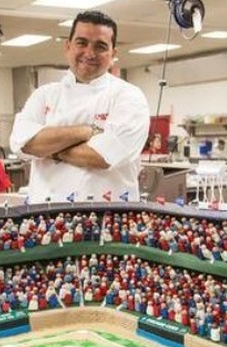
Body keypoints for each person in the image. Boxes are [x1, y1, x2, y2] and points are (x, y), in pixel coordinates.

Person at [9, 10, 149, 203]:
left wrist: (47, 149)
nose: (89, 53)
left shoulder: (129, 97)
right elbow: (23, 144)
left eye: (100, 46)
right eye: (81, 43)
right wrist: (87, 131)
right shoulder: (44, 95)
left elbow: (100, 157)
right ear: (68, 46)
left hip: (107, 218)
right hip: (44, 216)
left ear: (113, 54)